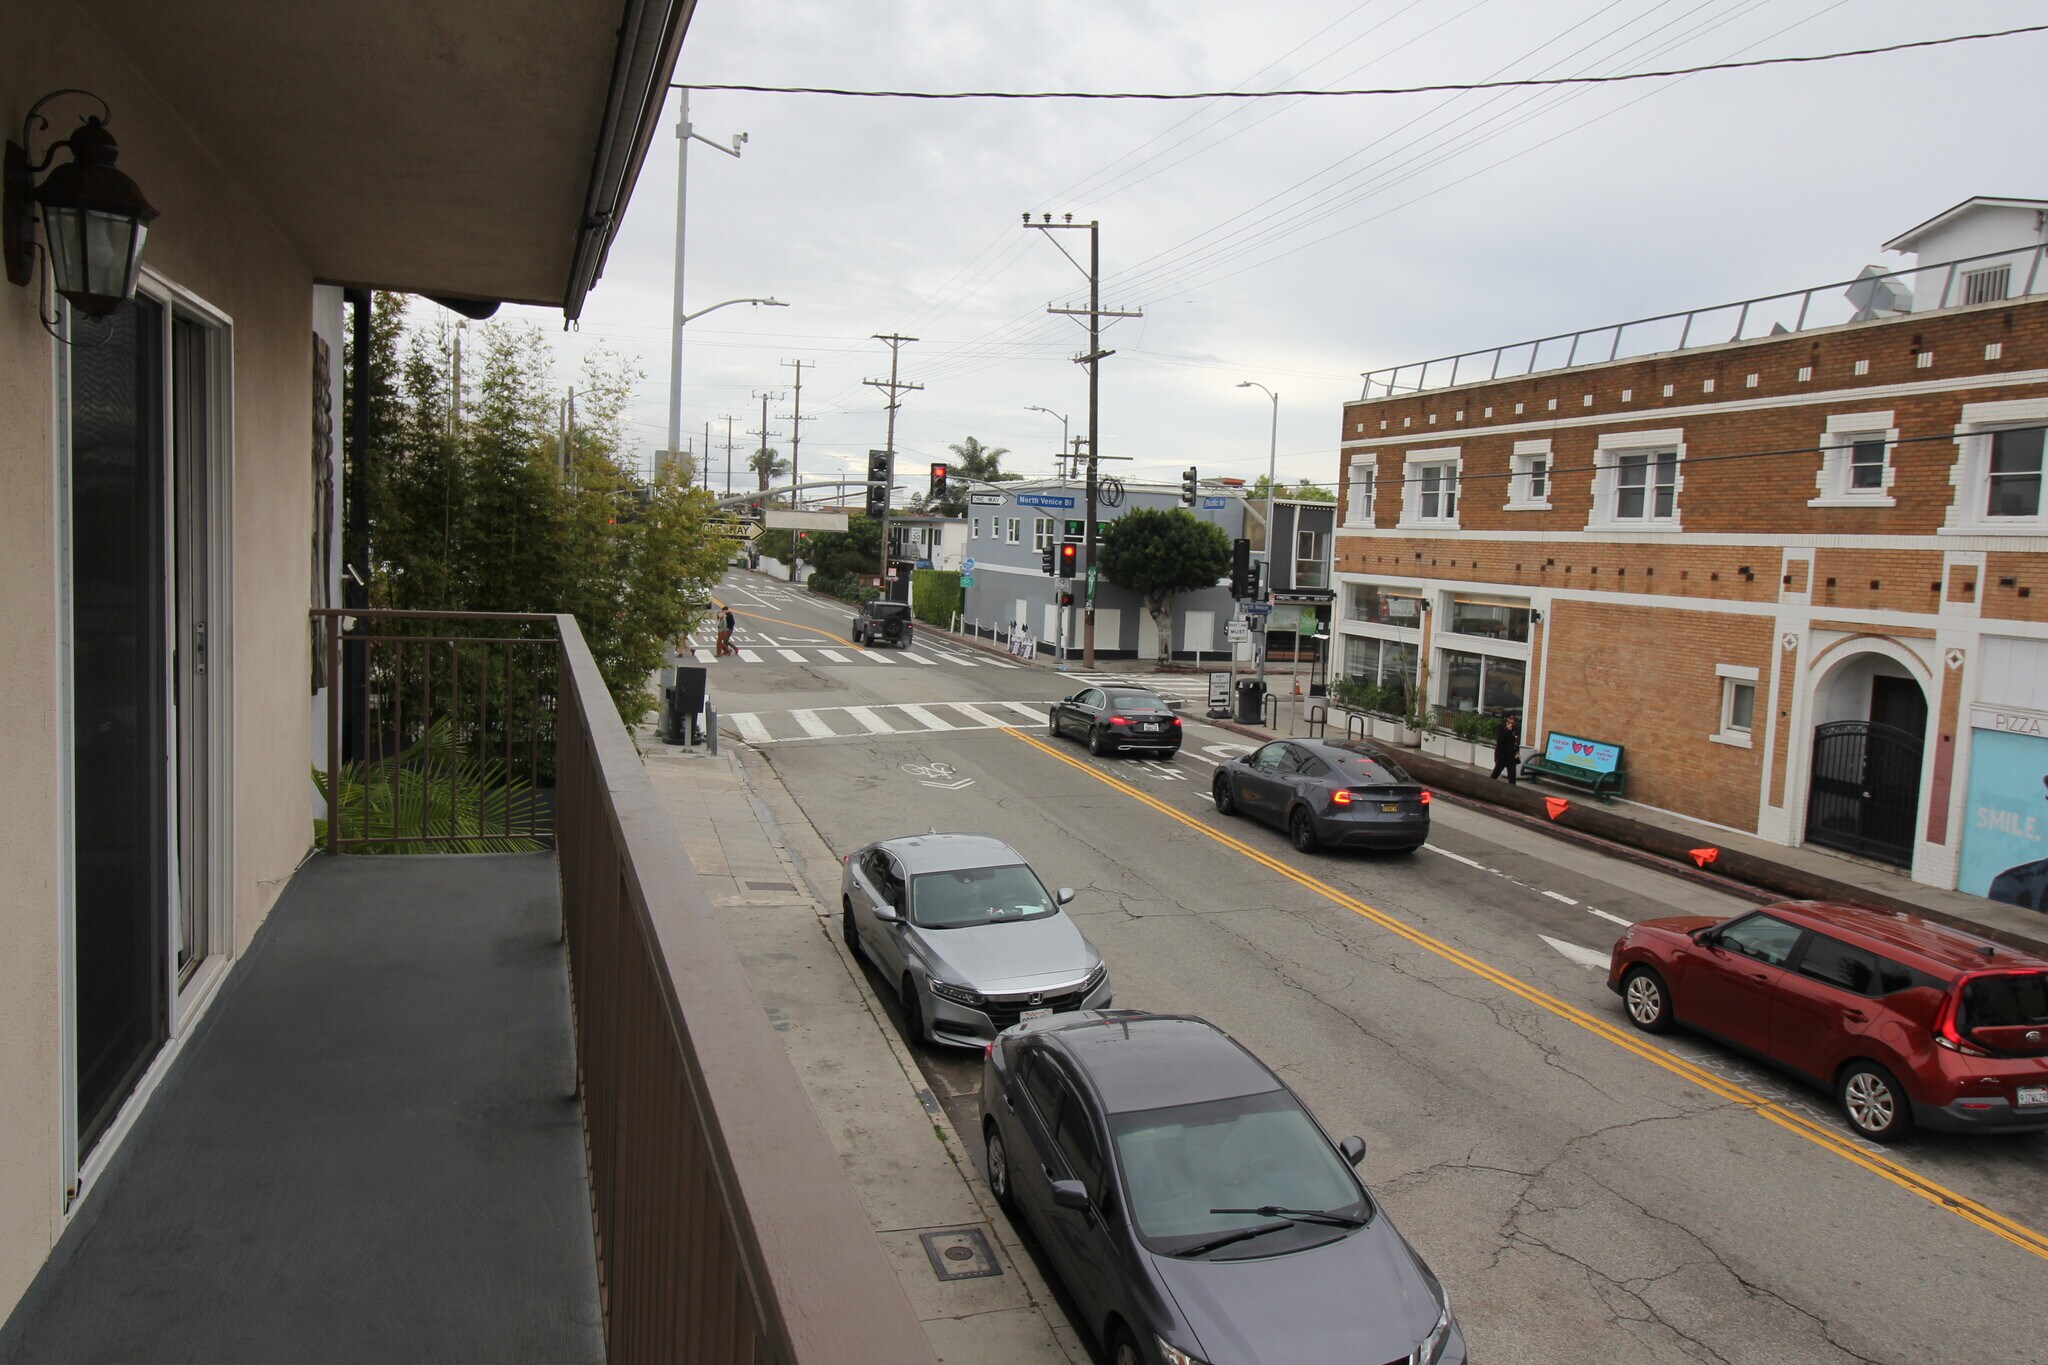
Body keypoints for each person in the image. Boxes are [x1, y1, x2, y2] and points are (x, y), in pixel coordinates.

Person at [1490, 713, 1521, 785]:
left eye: (1513, 719)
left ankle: (1512, 790)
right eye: (1510, 719)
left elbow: (1516, 741)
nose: (1512, 722)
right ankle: (1490, 784)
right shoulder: (1500, 727)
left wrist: (1517, 751)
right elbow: (1500, 740)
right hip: (1502, 755)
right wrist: (1508, 731)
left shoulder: (1515, 728)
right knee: (1496, 772)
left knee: (1512, 776)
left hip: (1511, 756)